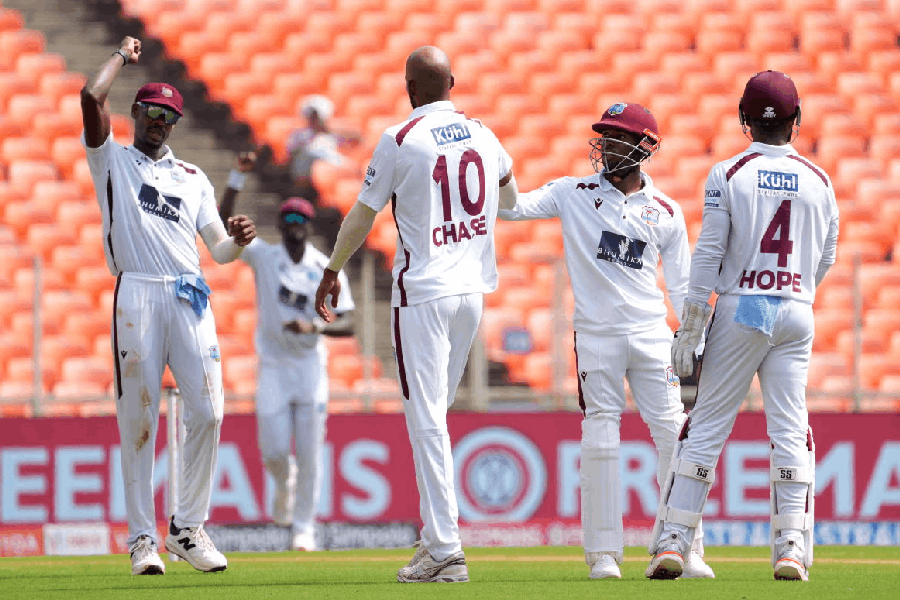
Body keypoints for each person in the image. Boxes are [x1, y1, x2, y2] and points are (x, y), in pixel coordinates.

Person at [314, 46, 517, 583]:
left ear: (410, 90)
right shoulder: (484, 132)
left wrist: (334, 267)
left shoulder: (400, 139)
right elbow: (512, 198)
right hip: (472, 293)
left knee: (426, 421)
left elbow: (362, 214)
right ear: (453, 80)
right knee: (436, 420)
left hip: (424, 293)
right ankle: (435, 540)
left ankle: (447, 550)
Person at [496, 103, 713, 580]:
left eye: (618, 137)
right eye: (605, 136)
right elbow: (512, 208)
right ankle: (603, 555)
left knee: (673, 436)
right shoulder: (572, 193)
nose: (607, 145)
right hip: (596, 337)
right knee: (601, 438)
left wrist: (692, 336)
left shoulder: (667, 212)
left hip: (652, 336)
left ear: (644, 147)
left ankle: (684, 547)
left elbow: (680, 286)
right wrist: (501, 169)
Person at [646, 71, 839, 582]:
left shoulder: (728, 173)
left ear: (742, 119)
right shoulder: (821, 180)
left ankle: (673, 541)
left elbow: (708, 253)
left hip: (742, 305)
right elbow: (827, 255)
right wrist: (794, 287)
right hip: (797, 307)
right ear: (797, 121)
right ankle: (790, 549)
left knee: (706, 425)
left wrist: (691, 323)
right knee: (790, 430)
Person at [80, 36, 256, 575]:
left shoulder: (193, 177)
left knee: (210, 410)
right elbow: (90, 99)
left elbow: (219, 252)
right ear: (135, 112)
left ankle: (185, 527)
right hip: (137, 290)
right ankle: (141, 539)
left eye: (170, 115)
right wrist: (119, 54)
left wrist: (239, 241)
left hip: (189, 290)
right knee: (138, 418)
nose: (161, 120)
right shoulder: (112, 160)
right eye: (153, 111)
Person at [218, 153, 355, 552]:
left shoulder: (326, 267)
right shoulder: (265, 257)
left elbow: (348, 323)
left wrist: (314, 326)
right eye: (289, 220)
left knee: (311, 453)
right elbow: (223, 222)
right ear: (281, 225)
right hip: (275, 366)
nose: (295, 227)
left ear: (309, 227)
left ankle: (304, 529)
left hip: (310, 366)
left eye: (301, 221)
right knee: (275, 449)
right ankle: (282, 482)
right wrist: (236, 176)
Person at [286, 94, 361, 202]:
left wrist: (329, 129)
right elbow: (291, 154)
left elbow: (358, 138)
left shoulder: (332, 134)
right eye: (312, 115)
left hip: (331, 174)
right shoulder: (299, 135)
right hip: (306, 177)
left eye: (317, 115)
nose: (314, 119)